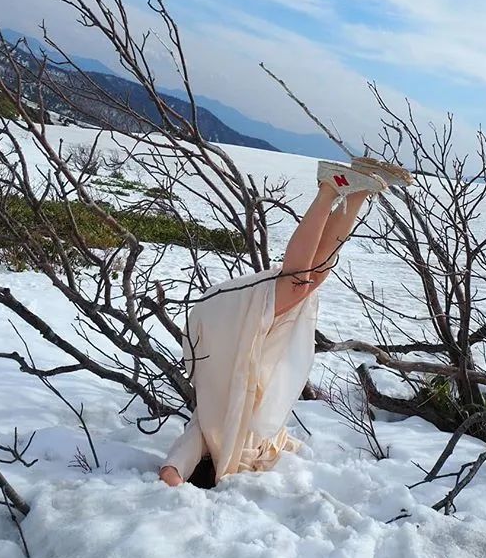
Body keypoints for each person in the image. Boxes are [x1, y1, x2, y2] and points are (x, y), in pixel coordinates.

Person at [158, 156, 413, 487]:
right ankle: (358, 190)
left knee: (296, 280)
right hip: (248, 350)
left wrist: (183, 499)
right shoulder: (249, 442)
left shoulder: (204, 437)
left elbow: (170, 472)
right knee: (313, 278)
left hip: (224, 329)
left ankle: (327, 187)